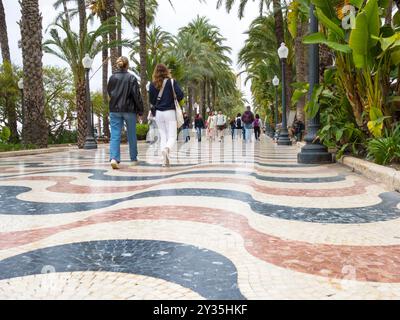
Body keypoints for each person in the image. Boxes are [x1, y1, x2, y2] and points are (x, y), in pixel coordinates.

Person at [107, 56, 144, 170]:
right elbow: (136, 95)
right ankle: (133, 159)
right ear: (127, 65)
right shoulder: (131, 78)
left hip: (114, 109)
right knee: (131, 134)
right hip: (129, 110)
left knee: (115, 134)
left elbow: (110, 92)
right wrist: (140, 109)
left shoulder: (112, 78)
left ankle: (114, 158)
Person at [149, 64, 184, 167]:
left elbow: (151, 100)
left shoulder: (152, 84)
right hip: (170, 112)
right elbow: (181, 95)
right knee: (172, 136)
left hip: (158, 113)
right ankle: (167, 149)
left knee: (163, 136)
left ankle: (164, 161)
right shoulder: (171, 82)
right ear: (166, 71)